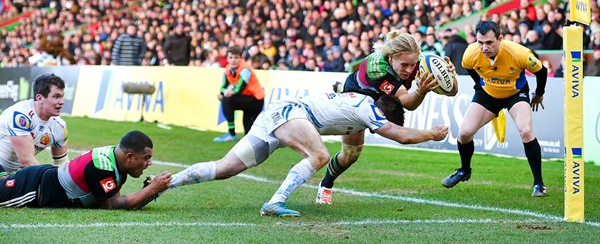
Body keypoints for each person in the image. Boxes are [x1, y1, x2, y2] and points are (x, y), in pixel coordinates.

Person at [169, 92, 448, 216]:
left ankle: (165, 183)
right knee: (319, 155)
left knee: (226, 168)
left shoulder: (357, 102)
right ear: (384, 114)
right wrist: (431, 134)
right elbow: (400, 135)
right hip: (292, 115)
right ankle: (275, 202)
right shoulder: (369, 110)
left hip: (279, 115)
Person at [318, 31, 458, 205]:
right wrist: (421, 91)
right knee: (350, 155)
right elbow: (407, 102)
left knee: (391, 116)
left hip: (384, 100)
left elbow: (452, 92)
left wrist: (450, 76)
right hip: (357, 97)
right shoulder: (377, 67)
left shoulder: (421, 61)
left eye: (412, 64)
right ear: (391, 58)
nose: (409, 69)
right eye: (404, 65)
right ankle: (326, 185)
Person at [441, 20, 548, 197]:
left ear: (500, 38)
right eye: (480, 42)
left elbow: (541, 71)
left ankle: (539, 184)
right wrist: (481, 86)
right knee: (464, 133)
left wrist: (539, 93)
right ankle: (464, 170)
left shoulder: (518, 52)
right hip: (487, 95)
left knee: (526, 131)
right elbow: (470, 69)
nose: (484, 47)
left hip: (516, 94)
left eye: (489, 42)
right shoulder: (470, 53)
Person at [0, 130, 171, 209]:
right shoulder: (102, 165)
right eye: (146, 157)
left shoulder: (117, 161)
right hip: (32, 188)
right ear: (130, 157)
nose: (149, 163)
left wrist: (148, 191)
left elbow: (113, 201)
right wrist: (152, 188)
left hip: (44, 177)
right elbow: (112, 203)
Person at [0, 74, 69, 176]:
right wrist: (48, 180)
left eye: (62, 96)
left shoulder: (59, 126)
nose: (61, 102)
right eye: (56, 97)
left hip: (11, 173)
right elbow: (27, 161)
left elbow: (62, 162)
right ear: (39, 98)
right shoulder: (20, 115)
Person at [214, 46, 265, 143]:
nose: (233, 60)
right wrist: (222, 93)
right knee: (249, 138)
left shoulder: (245, 68)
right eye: (230, 57)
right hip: (245, 99)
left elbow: (240, 87)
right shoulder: (228, 69)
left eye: (236, 57)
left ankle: (231, 134)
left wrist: (228, 93)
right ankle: (231, 133)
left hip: (255, 100)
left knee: (228, 99)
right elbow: (223, 86)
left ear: (241, 58)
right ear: (227, 58)